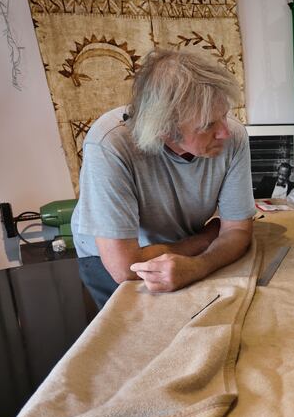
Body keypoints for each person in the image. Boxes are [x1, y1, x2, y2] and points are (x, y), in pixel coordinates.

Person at [71, 50, 255, 309]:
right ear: (165, 130)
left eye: (224, 114)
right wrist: (204, 241)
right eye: (208, 125)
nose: (224, 131)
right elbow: (125, 267)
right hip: (107, 255)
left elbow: (237, 231)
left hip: (176, 239)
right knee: (132, 332)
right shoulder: (109, 144)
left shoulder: (232, 137)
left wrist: (198, 265)